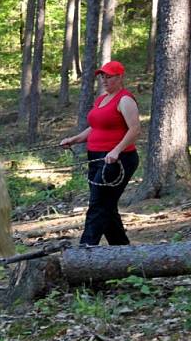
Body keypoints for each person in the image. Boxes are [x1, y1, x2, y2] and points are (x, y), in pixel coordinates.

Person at [60, 60, 141, 245]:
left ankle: (85, 249)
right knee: (106, 205)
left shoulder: (125, 100)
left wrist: (116, 150)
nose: (104, 80)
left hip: (117, 160)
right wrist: (75, 139)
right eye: (102, 77)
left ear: (120, 77)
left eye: (109, 77)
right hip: (96, 158)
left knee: (98, 205)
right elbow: (95, 127)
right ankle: (122, 250)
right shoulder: (101, 99)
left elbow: (135, 129)